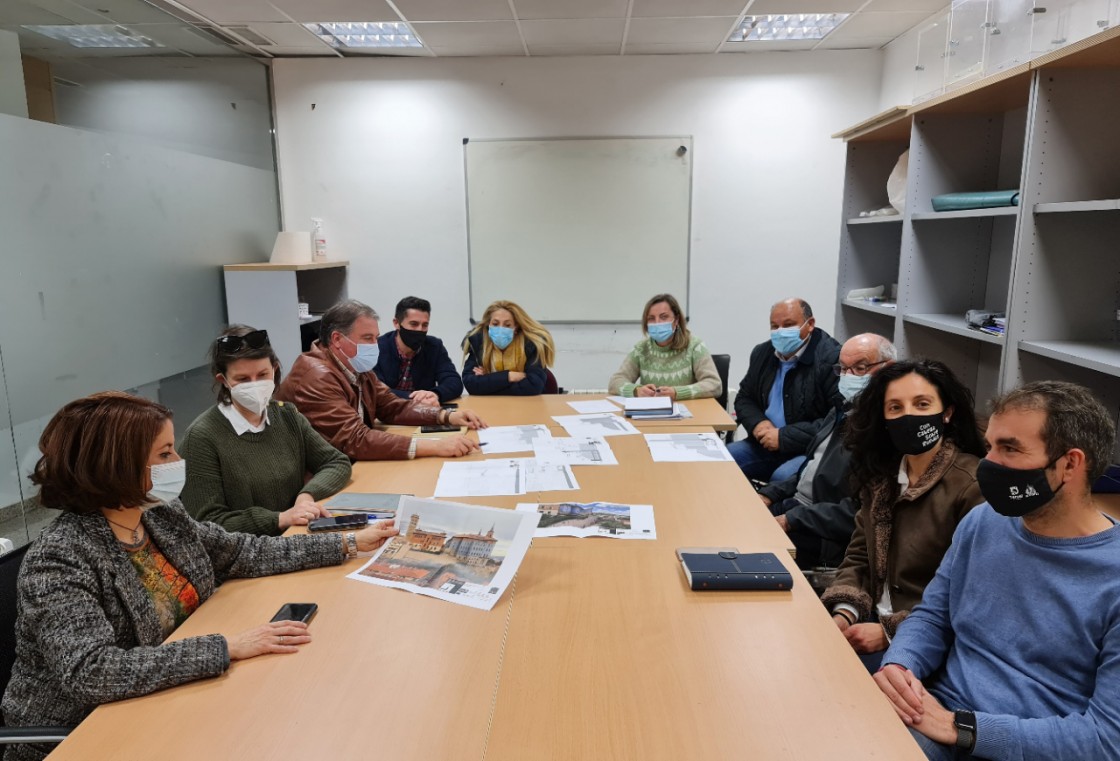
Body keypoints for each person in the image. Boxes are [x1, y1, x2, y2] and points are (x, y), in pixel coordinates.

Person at [0, 392, 397, 761]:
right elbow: (92, 673)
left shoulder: (159, 515)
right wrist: (227, 646)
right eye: (165, 452)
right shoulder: (60, 559)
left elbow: (244, 552)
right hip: (86, 733)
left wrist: (349, 543)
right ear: (117, 465)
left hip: (166, 700)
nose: (178, 460)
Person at [874, 381, 1120, 761]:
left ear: (1070, 464)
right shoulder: (982, 522)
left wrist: (963, 729)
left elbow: (1105, 741)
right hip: (934, 713)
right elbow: (933, 617)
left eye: (1010, 448)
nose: (988, 463)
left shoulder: (1112, 576)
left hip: (1024, 744)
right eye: (990, 446)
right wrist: (901, 664)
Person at [820, 359, 985, 672]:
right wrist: (843, 613)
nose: (908, 415)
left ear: (947, 413)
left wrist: (888, 632)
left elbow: (970, 595)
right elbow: (858, 558)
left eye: (922, 404)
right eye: (895, 408)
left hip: (924, 643)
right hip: (866, 622)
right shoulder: (882, 475)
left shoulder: (971, 487)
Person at [178, 325, 352, 536]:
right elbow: (207, 523)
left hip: (295, 535)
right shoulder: (201, 437)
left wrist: (306, 496)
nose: (255, 385)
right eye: (242, 379)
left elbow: (336, 462)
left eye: (262, 374)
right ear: (223, 381)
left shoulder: (287, 416)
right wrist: (280, 518)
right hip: (247, 554)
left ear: (275, 369)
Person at [275, 299, 486, 460]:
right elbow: (355, 439)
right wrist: (434, 446)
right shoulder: (316, 376)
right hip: (314, 474)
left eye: (375, 338)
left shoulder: (355, 365)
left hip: (344, 459)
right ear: (337, 339)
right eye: (367, 338)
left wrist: (446, 416)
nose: (375, 345)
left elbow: (392, 407)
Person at [757, 333, 896, 570]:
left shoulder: (886, 433)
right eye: (842, 369)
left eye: (860, 368)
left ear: (889, 369)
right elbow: (809, 470)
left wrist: (791, 519)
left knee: (751, 547)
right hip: (799, 509)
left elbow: (859, 514)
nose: (848, 376)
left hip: (825, 533)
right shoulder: (844, 409)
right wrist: (769, 494)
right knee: (730, 519)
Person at [728, 298, 842, 483]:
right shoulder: (762, 353)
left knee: (782, 477)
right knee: (723, 460)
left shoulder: (832, 359)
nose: (780, 332)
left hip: (808, 450)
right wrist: (758, 424)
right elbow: (744, 398)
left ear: (810, 324)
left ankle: (769, 512)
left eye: (788, 325)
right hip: (765, 443)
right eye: (774, 326)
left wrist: (783, 437)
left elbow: (836, 421)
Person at [608, 293, 722, 400]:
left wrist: (677, 393)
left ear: (676, 320)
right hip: (650, 415)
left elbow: (714, 385)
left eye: (664, 317)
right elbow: (615, 382)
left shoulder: (695, 346)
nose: (657, 323)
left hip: (687, 415)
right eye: (651, 318)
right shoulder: (641, 349)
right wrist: (636, 391)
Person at [374, 296, 463, 406]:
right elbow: (376, 390)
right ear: (396, 323)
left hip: (423, 414)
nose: (420, 330)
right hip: (387, 414)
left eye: (425, 325)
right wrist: (416, 398)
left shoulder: (434, 346)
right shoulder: (377, 348)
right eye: (414, 324)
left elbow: (454, 382)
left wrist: (435, 394)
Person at [462, 300, 556, 396]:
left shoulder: (531, 344)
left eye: (507, 325)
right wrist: (508, 376)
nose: (500, 329)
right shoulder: (479, 343)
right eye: (495, 324)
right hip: (491, 407)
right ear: (488, 325)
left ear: (516, 327)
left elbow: (533, 386)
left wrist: (489, 380)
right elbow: (471, 385)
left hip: (526, 406)